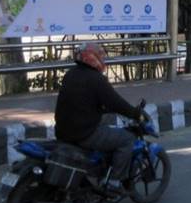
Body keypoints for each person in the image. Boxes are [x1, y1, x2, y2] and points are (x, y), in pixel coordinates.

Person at [55, 43, 143, 195]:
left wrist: (103, 109)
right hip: (83, 134)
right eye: (100, 56)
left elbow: (82, 101)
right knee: (127, 139)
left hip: (63, 131)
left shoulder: (71, 74)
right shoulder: (96, 79)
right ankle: (114, 181)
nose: (103, 59)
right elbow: (116, 103)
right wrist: (136, 114)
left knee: (106, 122)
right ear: (92, 58)